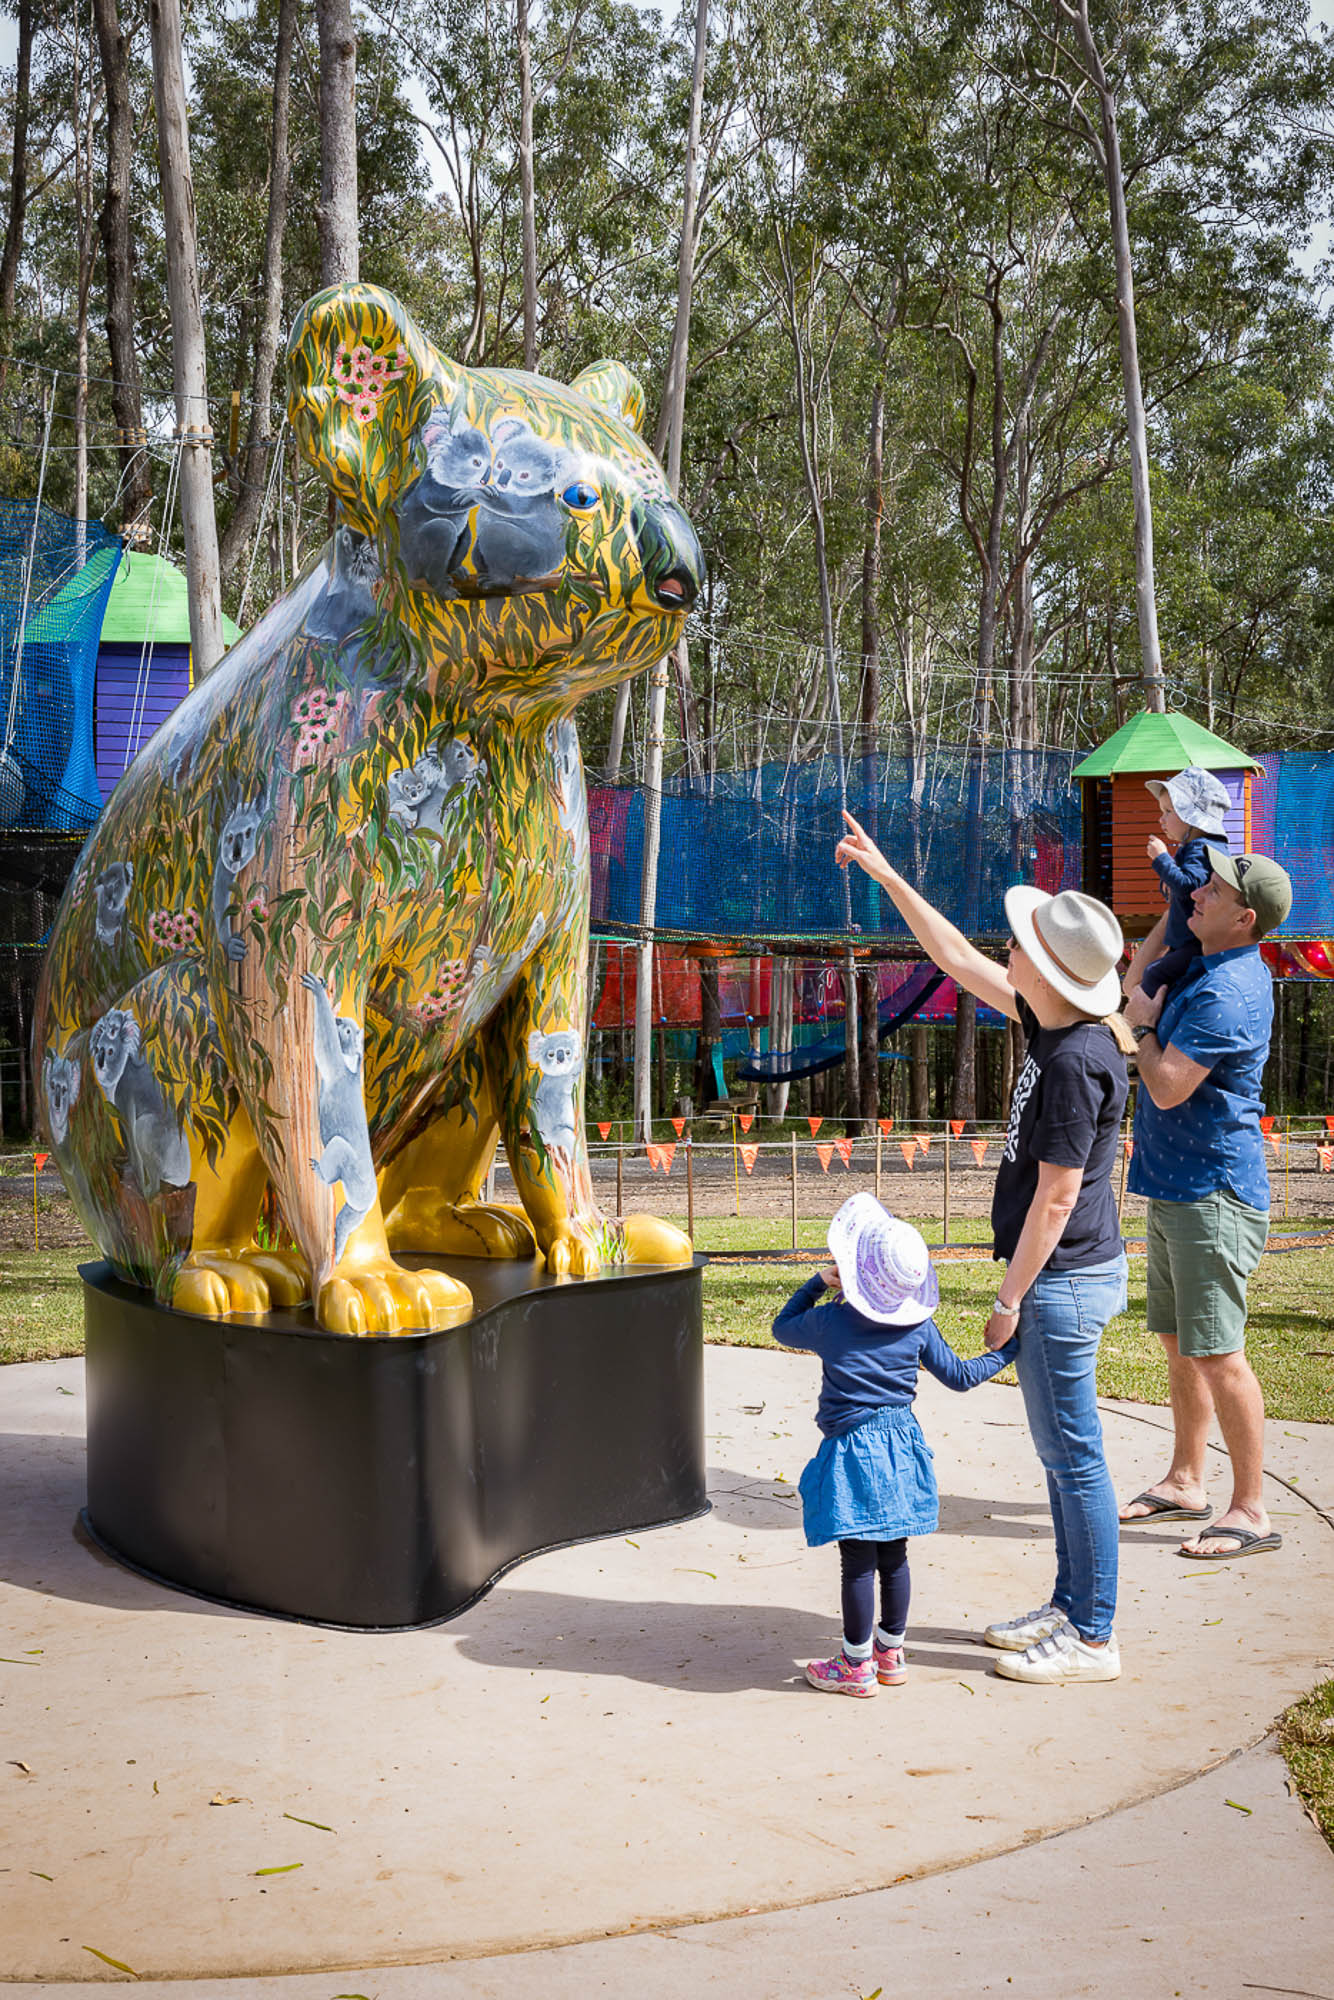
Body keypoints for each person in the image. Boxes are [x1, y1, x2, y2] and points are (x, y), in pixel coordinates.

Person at [835, 812, 1130, 1684]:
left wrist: (1007, 1301)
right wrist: (888, 876)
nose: (1010, 947)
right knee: (1059, 1455)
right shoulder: (1053, 1024)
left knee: (1075, 1459)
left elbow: (1059, 1195)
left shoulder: (1077, 1056)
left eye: (1023, 941)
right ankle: (1071, 1606)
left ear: (1050, 969)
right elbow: (957, 959)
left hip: (1062, 1282)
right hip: (1060, 1278)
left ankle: (1094, 1636)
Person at [1119, 848, 1293, 1561]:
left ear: (1245, 918)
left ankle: (1250, 1510)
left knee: (1219, 1353)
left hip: (1213, 1193)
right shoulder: (1205, 962)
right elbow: (1144, 969)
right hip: (1176, 1186)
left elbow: (1165, 1085)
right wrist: (1172, 898)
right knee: (1178, 1342)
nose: (1199, 894)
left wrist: (1140, 1027)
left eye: (1213, 891)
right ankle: (1187, 1479)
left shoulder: (1230, 991)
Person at [772, 1194, 1018, 1698]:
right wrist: (1013, 1349)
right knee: (895, 1555)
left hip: (852, 1450)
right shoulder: (917, 1326)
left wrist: (818, 1283)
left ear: (853, 1272)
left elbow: (781, 1326)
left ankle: (856, 1665)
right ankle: (891, 1654)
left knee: (856, 1560)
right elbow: (962, 1376)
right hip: (904, 1445)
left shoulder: (831, 1322)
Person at [1140, 766, 1233, 1001]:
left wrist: (1161, 859)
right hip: (1189, 940)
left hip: (1194, 942)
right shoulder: (1203, 847)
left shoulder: (1201, 848)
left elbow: (1188, 887)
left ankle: (1147, 1026)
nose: (1161, 819)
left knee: (1152, 977)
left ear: (1193, 816)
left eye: (1169, 811)